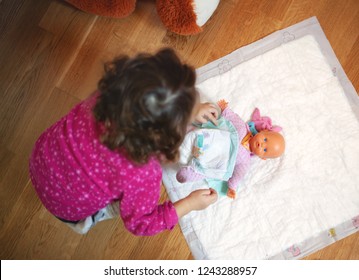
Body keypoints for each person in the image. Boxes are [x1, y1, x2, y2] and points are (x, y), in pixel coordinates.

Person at [29, 48, 218, 235]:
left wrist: (190, 108)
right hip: (68, 209)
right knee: (121, 200)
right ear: (163, 142)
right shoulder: (143, 174)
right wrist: (190, 203)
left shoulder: (106, 97)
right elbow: (142, 224)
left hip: (40, 159)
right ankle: (98, 214)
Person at [176, 102, 285, 199]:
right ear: (262, 132)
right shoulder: (242, 128)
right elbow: (232, 118)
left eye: (265, 149)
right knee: (197, 128)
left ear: (262, 157)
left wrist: (232, 187)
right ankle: (182, 127)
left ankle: (189, 173)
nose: (262, 144)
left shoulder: (245, 161)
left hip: (216, 161)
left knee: (210, 172)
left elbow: (238, 174)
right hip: (209, 140)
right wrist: (224, 110)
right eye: (265, 139)